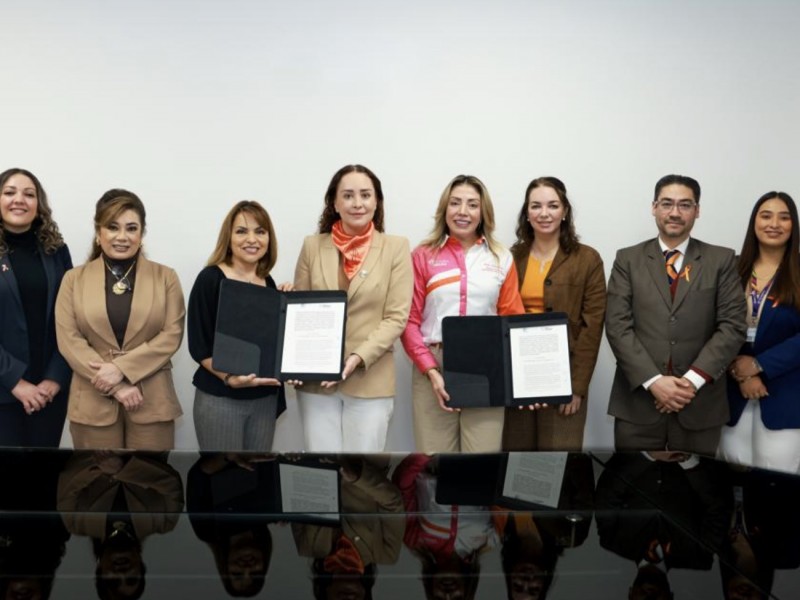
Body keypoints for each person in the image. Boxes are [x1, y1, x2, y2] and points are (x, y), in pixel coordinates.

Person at [605, 174, 747, 455]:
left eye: (685, 205)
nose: (675, 212)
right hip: (638, 404)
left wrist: (690, 382)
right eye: (667, 203)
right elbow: (617, 326)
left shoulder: (721, 260)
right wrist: (654, 382)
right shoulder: (628, 259)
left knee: (695, 482)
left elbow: (732, 327)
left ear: (697, 210)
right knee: (632, 480)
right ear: (654, 207)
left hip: (699, 404)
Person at [293, 164, 413, 452]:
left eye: (365, 195)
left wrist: (358, 357)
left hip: (370, 380)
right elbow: (299, 310)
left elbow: (396, 317)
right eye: (348, 196)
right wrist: (294, 361)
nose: (357, 203)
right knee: (323, 469)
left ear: (377, 202)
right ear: (334, 203)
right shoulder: (312, 246)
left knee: (363, 472)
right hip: (316, 383)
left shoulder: (396, 247)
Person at [401, 174, 524, 453]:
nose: (463, 211)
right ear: (444, 209)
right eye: (455, 203)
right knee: (434, 462)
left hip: (487, 367)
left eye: (472, 204)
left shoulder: (501, 257)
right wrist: (431, 370)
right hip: (433, 364)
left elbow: (512, 321)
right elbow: (409, 321)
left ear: (483, 212)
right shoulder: (422, 255)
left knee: (481, 462)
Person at [55, 189, 185, 450]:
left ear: (142, 233)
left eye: (131, 228)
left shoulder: (166, 277)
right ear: (98, 232)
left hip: (152, 401)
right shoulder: (73, 279)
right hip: (92, 401)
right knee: (96, 476)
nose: (122, 237)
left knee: (150, 475)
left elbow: (172, 335)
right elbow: (68, 339)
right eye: (112, 227)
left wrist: (121, 369)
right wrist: (116, 386)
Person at [501, 177, 606, 451]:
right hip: (518, 378)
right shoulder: (510, 257)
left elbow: (592, 327)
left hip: (564, 378)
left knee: (555, 463)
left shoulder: (587, 259)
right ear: (527, 212)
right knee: (517, 460)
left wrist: (578, 387)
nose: (544, 213)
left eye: (553, 205)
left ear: (565, 211)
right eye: (536, 206)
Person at [188, 201, 288, 451]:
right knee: (224, 475)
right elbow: (199, 345)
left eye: (260, 231)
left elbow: (272, 343)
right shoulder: (210, 278)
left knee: (259, 473)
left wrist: (290, 306)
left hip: (264, 400)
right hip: (221, 397)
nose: (251, 239)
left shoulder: (268, 282)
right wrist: (230, 378)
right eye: (241, 231)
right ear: (229, 237)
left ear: (269, 239)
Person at [719, 192, 800, 472]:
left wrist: (758, 365)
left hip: (786, 394)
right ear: (754, 222)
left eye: (784, 217)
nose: (774, 224)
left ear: (793, 225)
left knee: (777, 482)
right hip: (732, 394)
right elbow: (711, 325)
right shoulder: (730, 268)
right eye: (766, 216)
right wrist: (740, 371)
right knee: (732, 476)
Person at [0, 168, 72, 447]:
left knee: (47, 472)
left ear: (38, 204)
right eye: (9, 192)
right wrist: (16, 383)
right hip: (4, 392)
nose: (19, 200)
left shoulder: (57, 251)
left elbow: (72, 318)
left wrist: (55, 378)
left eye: (29, 194)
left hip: (49, 392)